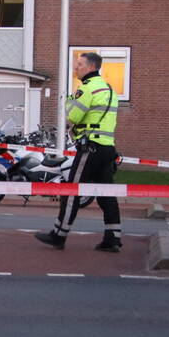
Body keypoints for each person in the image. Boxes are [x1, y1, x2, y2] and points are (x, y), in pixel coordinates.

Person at [35, 52, 122, 252]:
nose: (76, 68)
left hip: (90, 147)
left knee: (71, 190)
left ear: (91, 67)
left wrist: (67, 100)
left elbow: (72, 116)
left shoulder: (87, 88)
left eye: (80, 65)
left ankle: (59, 234)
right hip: (108, 148)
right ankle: (113, 238)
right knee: (106, 194)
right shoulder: (109, 89)